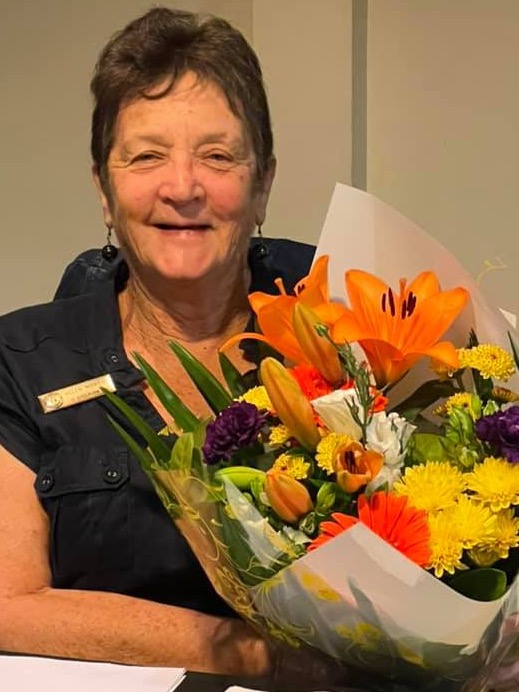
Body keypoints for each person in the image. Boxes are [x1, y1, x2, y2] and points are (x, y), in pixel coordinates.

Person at [0, 6, 364, 688]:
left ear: (262, 184)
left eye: (218, 156)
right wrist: (263, 656)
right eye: (145, 156)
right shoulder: (20, 359)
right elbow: (7, 603)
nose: (183, 186)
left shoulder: (343, 341)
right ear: (104, 190)